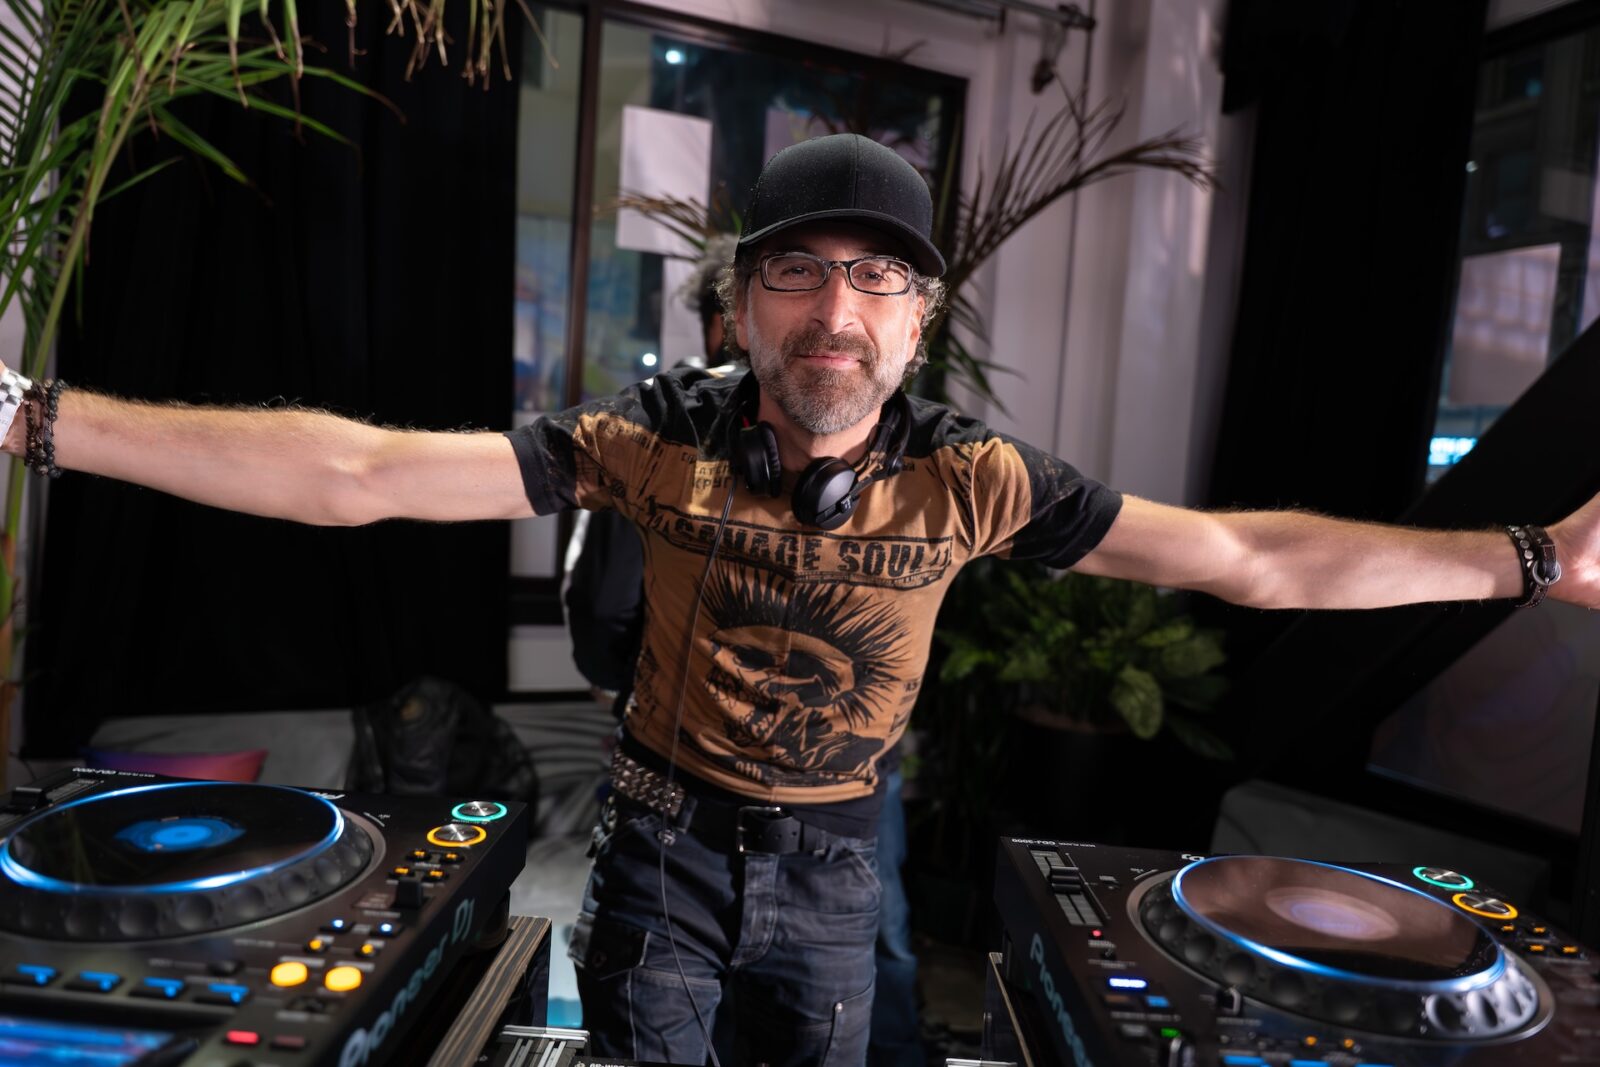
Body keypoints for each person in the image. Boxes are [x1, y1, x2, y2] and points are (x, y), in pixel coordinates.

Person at [4, 132, 1595, 1066]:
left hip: (842, 855)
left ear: (921, 322)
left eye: (879, 276)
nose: (838, 307)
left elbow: (1254, 560)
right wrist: (29, 417)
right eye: (799, 270)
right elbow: (357, 471)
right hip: (658, 843)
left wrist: (1534, 558)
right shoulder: (643, 445)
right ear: (740, 305)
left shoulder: (979, 480)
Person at [562, 232, 923, 1066]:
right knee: (882, 946)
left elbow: (602, 608)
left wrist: (652, 689)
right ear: (737, 318)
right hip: (846, 783)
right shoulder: (893, 440)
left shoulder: (655, 434)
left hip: (698, 778)